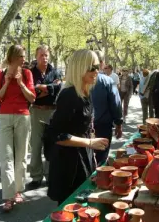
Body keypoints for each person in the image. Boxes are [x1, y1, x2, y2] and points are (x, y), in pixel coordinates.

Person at [47, 49, 109, 205]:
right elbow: (58, 136)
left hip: (82, 158)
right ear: (80, 67)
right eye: (91, 67)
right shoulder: (69, 95)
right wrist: (89, 143)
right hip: (68, 166)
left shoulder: (84, 92)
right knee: (69, 209)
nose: (96, 71)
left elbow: (86, 128)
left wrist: (92, 151)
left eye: (97, 67)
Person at [0, 45, 36, 212]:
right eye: (20, 57)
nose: (23, 59)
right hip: (4, 117)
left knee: (22, 156)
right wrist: (8, 81)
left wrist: (20, 83)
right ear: (11, 58)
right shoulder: (0, 74)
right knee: (6, 157)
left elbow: (32, 98)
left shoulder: (27, 73)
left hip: (23, 116)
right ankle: (9, 196)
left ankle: (18, 190)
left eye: (24, 56)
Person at [27, 45, 62, 190]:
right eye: (41, 55)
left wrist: (42, 88)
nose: (44, 58)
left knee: (51, 145)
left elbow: (58, 87)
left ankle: (49, 175)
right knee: (35, 145)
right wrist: (49, 88)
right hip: (35, 111)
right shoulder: (30, 72)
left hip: (52, 112)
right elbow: (31, 92)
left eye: (46, 55)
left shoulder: (55, 72)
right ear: (36, 56)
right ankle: (36, 177)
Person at [92, 50, 123, 166]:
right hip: (103, 126)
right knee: (101, 159)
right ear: (102, 63)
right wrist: (118, 124)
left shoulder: (78, 80)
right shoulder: (107, 81)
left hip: (84, 128)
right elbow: (116, 104)